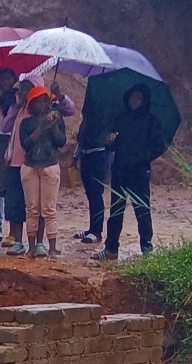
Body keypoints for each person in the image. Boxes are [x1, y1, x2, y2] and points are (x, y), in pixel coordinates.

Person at [100, 83, 169, 259]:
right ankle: (111, 249)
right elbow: (112, 145)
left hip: (139, 172)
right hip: (120, 171)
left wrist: (143, 157)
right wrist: (110, 140)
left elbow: (160, 146)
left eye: (138, 98)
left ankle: (147, 249)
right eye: (132, 97)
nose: (134, 101)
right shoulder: (121, 119)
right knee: (115, 211)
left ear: (144, 100)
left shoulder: (151, 122)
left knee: (142, 211)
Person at [14, 85, 68, 258]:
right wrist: (42, 127)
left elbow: (61, 141)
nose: (41, 105)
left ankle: (50, 247)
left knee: (48, 209)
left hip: (47, 166)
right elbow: (26, 145)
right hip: (32, 167)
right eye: (37, 102)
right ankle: (32, 247)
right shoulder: (26, 123)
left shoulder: (56, 120)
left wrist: (51, 126)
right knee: (32, 209)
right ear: (32, 105)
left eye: (44, 101)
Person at [74, 81, 115, 245]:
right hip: (86, 154)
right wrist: (76, 155)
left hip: (99, 155)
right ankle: (92, 228)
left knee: (96, 193)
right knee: (91, 193)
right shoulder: (89, 117)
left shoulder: (107, 114)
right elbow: (81, 136)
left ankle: (96, 232)